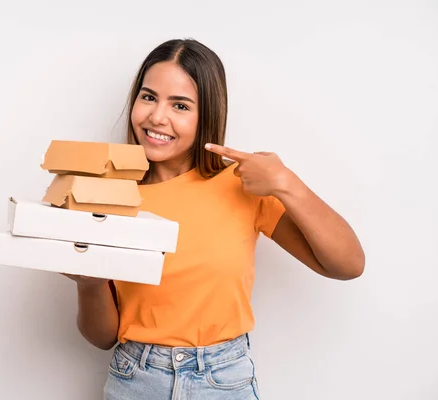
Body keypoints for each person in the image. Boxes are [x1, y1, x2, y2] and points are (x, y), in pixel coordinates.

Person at [63, 38, 365, 400]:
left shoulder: (242, 185)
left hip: (223, 382)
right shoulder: (109, 195)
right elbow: (102, 337)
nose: (157, 116)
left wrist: (286, 184)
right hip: (135, 380)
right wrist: (89, 284)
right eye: (148, 97)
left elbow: (347, 265)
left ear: (207, 114)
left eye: (180, 105)